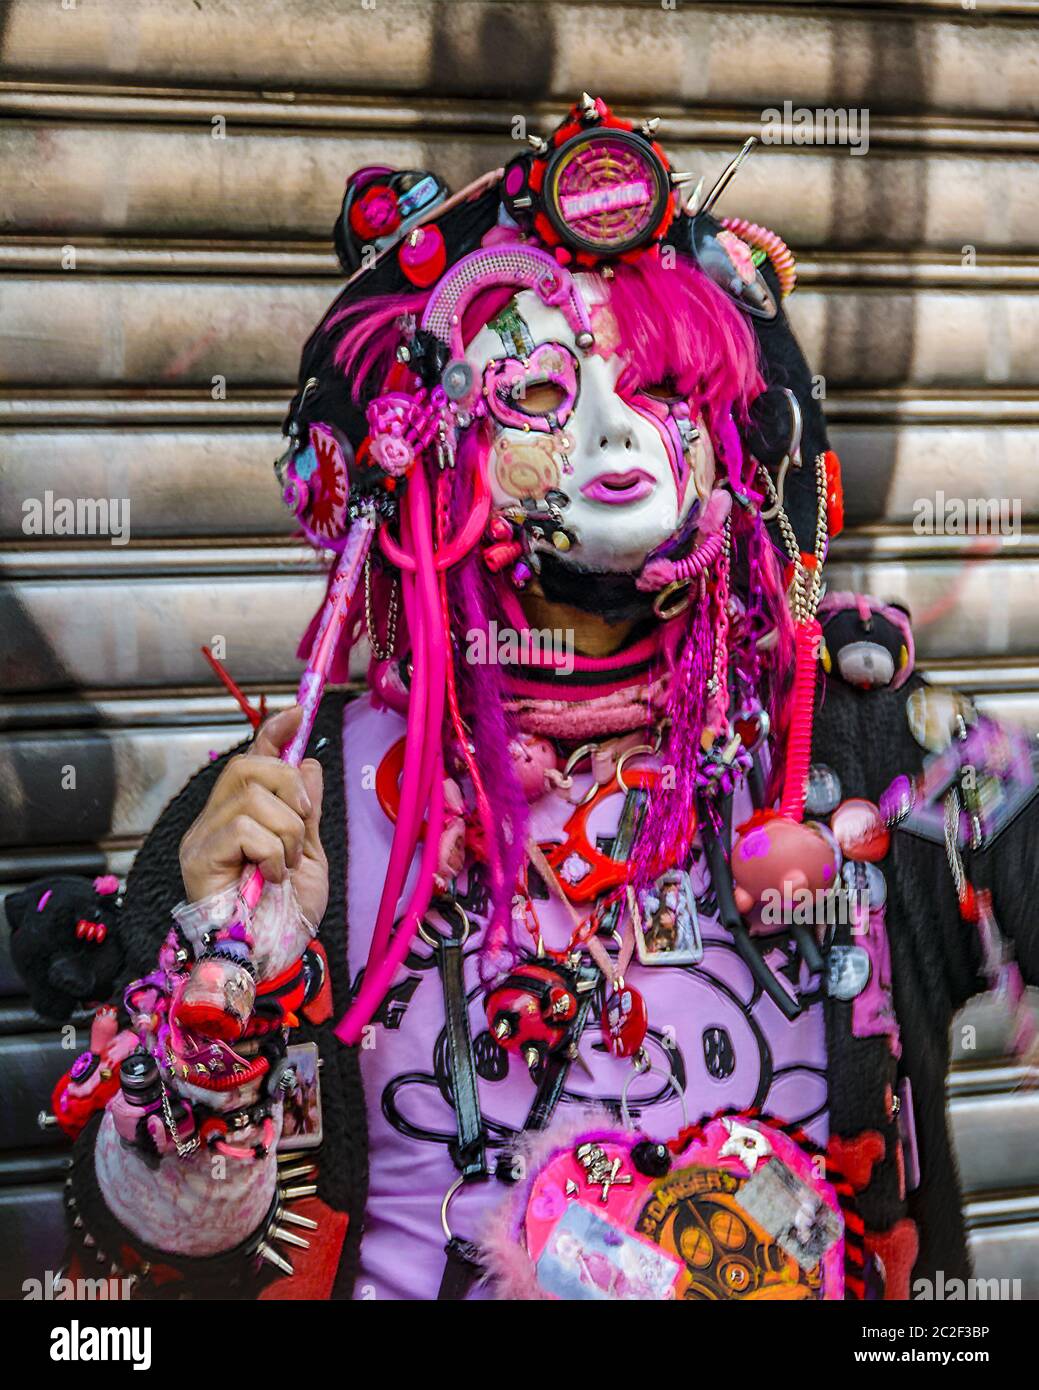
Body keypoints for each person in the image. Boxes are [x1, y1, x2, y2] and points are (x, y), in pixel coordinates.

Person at [22, 96, 1039, 1302]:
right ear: (421, 449)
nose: (620, 434)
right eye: (541, 393)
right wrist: (221, 987)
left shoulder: (868, 746)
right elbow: (140, 1254)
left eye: (661, 385)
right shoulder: (289, 816)